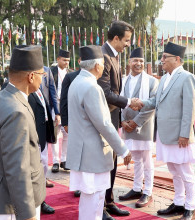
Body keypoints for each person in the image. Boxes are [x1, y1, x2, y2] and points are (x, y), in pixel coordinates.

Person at [66, 45, 132, 220]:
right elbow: (104, 123)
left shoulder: (77, 82)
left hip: (83, 153)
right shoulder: (91, 87)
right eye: (103, 64)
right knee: (95, 200)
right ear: (97, 66)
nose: (103, 68)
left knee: (89, 200)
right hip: (92, 153)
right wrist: (123, 149)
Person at [136, 42, 195, 220]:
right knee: (173, 170)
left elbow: (189, 109)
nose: (161, 60)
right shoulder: (164, 78)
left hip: (179, 136)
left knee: (185, 171)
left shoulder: (187, 77)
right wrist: (140, 102)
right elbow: (155, 102)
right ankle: (179, 203)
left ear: (177, 59)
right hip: (164, 134)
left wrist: (185, 134)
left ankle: (191, 207)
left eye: (165, 57)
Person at [0, 45, 46, 219]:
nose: (42, 80)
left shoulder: (1, 98)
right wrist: (27, 214)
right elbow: (17, 169)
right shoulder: (17, 112)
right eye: (41, 75)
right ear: (31, 76)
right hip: (12, 206)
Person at [97, 20, 140, 220]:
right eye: (126, 40)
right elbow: (106, 93)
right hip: (103, 120)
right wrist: (129, 102)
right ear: (115, 38)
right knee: (105, 163)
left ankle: (109, 201)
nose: (127, 45)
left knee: (112, 162)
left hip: (113, 118)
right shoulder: (103, 57)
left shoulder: (113, 56)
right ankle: (101, 208)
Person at [118, 48, 158, 207]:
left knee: (147, 160)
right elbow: (118, 102)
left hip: (144, 126)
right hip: (127, 126)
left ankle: (147, 191)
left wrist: (135, 122)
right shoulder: (123, 80)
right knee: (136, 159)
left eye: (141, 61)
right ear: (129, 62)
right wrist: (122, 121)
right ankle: (136, 188)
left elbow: (153, 104)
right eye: (135, 60)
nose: (138, 64)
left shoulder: (152, 81)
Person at [28, 87, 56, 215]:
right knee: (34, 169)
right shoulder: (24, 89)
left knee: (43, 165)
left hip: (43, 132)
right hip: (33, 136)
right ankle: (37, 200)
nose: (42, 77)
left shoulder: (38, 88)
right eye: (40, 74)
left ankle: (41, 198)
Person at [60, 59, 81, 198]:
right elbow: (64, 100)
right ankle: (78, 185)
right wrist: (65, 122)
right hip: (74, 123)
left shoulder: (98, 76)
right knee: (76, 154)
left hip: (91, 125)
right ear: (79, 61)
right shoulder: (70, 77)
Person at [50, 49, 71, 173]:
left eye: (68, 60)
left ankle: (64, 160)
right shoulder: (51, 72)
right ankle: (55, 162)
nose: (66, 62)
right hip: (54, 105)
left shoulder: (72, 73)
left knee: (67, 134)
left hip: (66, 107)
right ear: (58, 59)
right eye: (64, 60)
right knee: (55, 134)